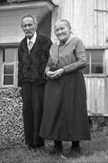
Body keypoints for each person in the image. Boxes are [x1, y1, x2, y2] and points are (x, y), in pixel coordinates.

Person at [39, 19, 91, 156]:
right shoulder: (53, 46)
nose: (59, 32)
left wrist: (63, 70)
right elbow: (49, 63)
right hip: (54, 81)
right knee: (54, 111)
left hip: (72, 81)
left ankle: (75, 147)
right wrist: (47, 71)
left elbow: (82, 61)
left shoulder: (77, 42)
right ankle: (57, 145)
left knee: (73, 111)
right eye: (56, 30)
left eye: (62, 28)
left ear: (69, 29)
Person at [18, 14, 52, 150]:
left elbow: (52, 61)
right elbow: (20, 65)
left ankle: (39, 143)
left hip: (40, 83)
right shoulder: (21, 44)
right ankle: (30, 142)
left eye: (30, 25)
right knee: (27, 111)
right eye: (24, 26)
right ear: (22, 28)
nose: (27, 28)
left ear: (36, 26)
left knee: (38, 111)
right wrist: (19, 85)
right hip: (26, 83)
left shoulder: (45, 42)